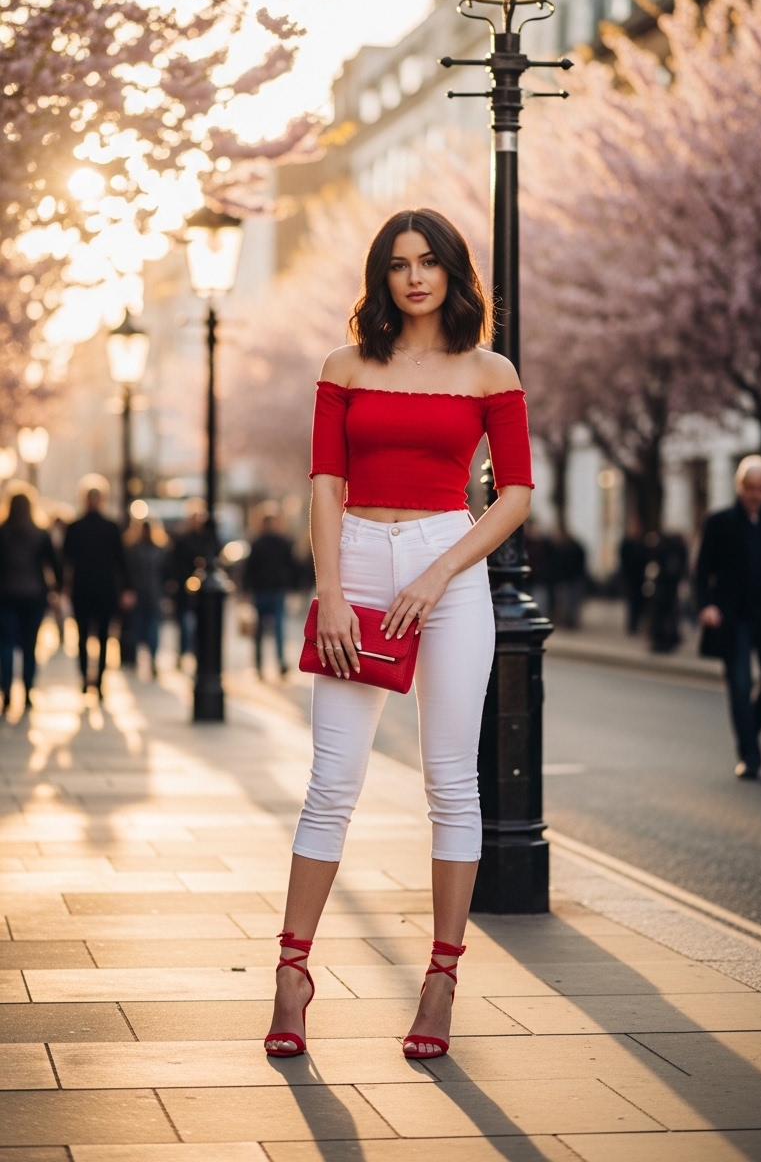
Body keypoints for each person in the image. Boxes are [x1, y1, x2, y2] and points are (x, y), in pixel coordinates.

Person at [264, 207, 533, 1061]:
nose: (414, 277)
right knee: (331, 783)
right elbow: (324, 482)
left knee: (452, 782)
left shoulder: (491, 371)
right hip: (358, 565)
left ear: (454, 272)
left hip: (443, 565)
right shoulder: (346, 365)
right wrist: (332, 592)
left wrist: (441, 569)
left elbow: (517, 492)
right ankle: (292, 974)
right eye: (398, 264)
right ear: (380, 277)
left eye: (430, 262)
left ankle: (441, 979)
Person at [697, 455, 761, 779]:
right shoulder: (720, 522)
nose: (756, 494)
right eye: (750, 488)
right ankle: (750, 757)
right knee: (739, 685)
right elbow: (702, 570)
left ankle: (749, 729)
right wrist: (706, 606)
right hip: (734, 617)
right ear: (740, 487)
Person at [63, 482, 129, 698]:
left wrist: (126, 588)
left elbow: (121, 561)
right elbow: (66, 561)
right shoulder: (106, 527)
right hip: (96, 588)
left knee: (93, 636)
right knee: (90, 637)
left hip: (92, 588)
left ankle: (93, 679)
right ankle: (90, 678)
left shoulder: (82, 527)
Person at [0, 490, 61, 714]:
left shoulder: (2, 532)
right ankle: (27, 691)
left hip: (5, 595)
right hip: (33, 595)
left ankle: (6, 689)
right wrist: (57, 589)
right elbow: (54, 565)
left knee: (5, 645)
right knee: (29, 646)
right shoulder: (39, 533)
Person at [244, 510, 296, 677]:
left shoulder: (272, 543)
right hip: (265, 591)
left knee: (276, 629)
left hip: (272, 591)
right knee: (266, 630)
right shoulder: (273, 543)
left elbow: (292, 567)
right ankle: (264, 664)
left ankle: (275, 663)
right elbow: (249, 569)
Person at [165, 502, 214, 663]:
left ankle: (195, 651)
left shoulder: (206, 537)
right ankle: (183, 651)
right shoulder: (182, 538)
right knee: (184, 622)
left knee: (197, 623)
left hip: (202, 587)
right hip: (183, 585)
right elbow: (174, 562)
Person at [125, 521, 166, 678]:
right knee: (148, 626)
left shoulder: (136, 550)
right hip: (151, 593)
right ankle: (148, 658)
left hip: (144, 593)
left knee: (142, 626)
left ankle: (140, 658)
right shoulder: (156, 550)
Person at [646, 530, 688, 654]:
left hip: (665, 587)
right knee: (668, 615)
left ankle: (664, 641)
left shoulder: (666, 547)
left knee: (664, 615)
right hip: (669, 587)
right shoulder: (678, 549)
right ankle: (666, 640)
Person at [619, 515, 647, 634]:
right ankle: (632, 626)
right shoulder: (626, 543)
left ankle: (637, 625)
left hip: (640, 578)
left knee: (640, 603)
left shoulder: (643, 543)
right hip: (630, 578)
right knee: (632, 603)